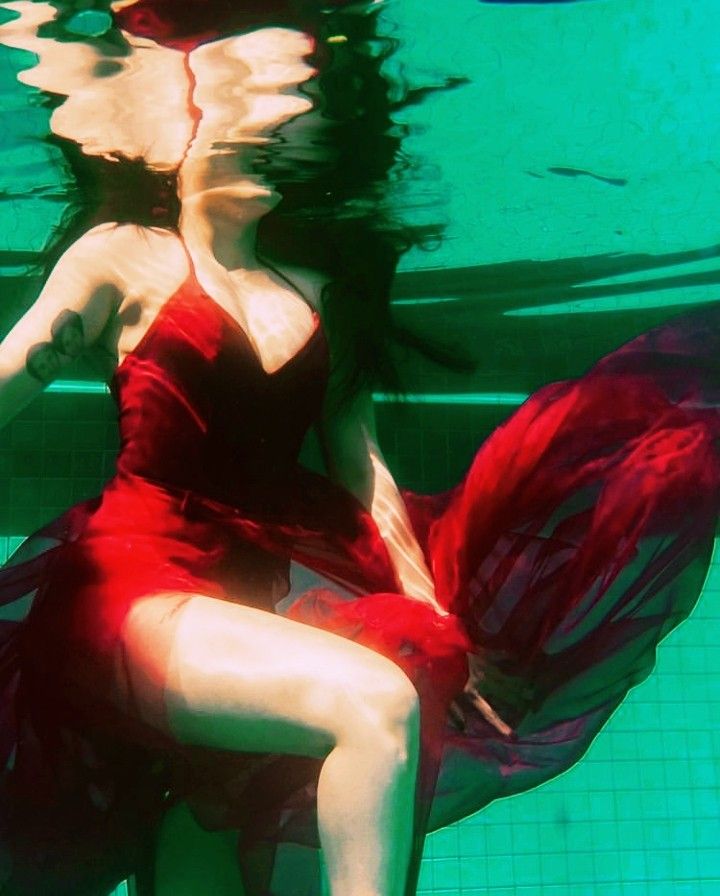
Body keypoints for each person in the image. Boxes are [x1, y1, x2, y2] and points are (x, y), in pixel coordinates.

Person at [0, 2, 719, 896]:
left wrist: (440, 618)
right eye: (256, 93)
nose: (282, 115)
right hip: (132, 591)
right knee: (370, 702)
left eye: (298, 98)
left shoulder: (321, 287)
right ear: (187, 108)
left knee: (208, 832)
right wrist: (42, 357)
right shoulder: (122, 256)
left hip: (248, 601)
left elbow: (365, 470)